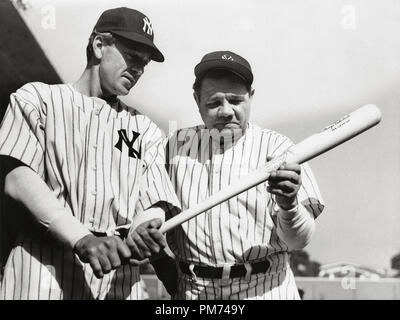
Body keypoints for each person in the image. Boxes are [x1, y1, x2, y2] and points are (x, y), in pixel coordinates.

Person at [0, 7, 180, 300]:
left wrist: (145, 226)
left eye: (144, 64)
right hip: (42, 268)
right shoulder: (38, 99)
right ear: (99, 45)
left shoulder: (143, 128)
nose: (138, 70)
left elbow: (155, 199)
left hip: (117, 277)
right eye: (133, 57)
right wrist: (81, 237)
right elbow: (17, 177)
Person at [163, 51, 325, 299]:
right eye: (214, 102)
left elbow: (299, 241)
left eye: (236, 101)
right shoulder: (174, 147)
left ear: (251, 97)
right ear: (197, 100)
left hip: (264, 286)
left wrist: (289, 204)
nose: (226, 112)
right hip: (194, 289)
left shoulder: (277, 148)